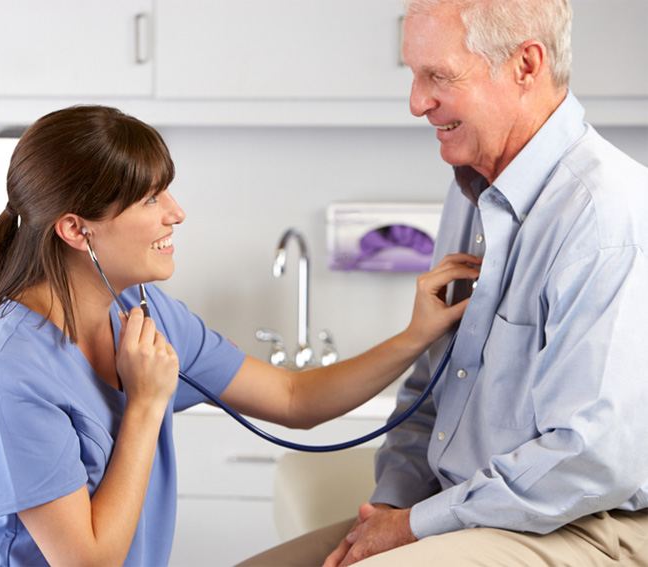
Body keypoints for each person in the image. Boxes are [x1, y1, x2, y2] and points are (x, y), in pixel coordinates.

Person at [0, 105, 480, 567]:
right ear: (74, 229)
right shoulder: (3, 372)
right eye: (151, 199)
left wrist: (415, 336)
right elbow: (88, 561)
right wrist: (144, 406)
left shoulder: (142, 311)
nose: (176, 213)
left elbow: (295, 399)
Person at [238, 0, 648, 566]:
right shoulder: (472, 194)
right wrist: (391, 507)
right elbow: (431, 394)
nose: (416, 102)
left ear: (526, 65)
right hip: (463, 510)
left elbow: (590, 460)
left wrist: (415, 526)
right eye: (413, 74)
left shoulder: (609, 217)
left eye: (439, 76)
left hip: (578, 523)